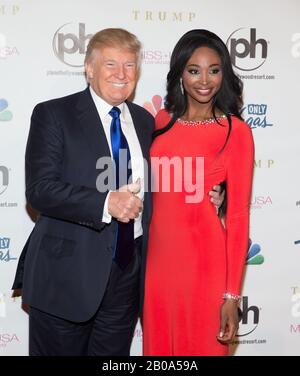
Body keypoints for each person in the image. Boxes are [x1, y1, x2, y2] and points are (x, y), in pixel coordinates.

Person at [12, 27, 225, 356]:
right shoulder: (54, 114)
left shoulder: (144, 121)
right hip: (67, 277)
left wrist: (212, 194)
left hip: (127, 276)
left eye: (129, 66)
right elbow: (40, 190)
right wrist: (105, 202)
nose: (121, 74)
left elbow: (165, 180)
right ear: (89, 68)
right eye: (110, 64)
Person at [143, 29, 254, 356]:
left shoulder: (235, 132)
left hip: (205, 268)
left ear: (225, 73)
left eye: (214, 70)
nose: (204, 80)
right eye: (194, 70)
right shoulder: (161, 121)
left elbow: (237, 217)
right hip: (158, 269)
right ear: (180, 73)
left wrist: (231, 296)